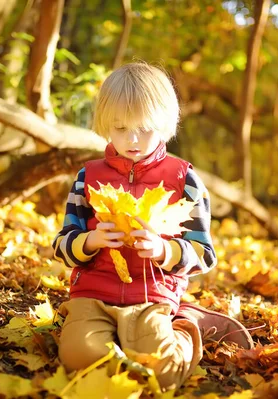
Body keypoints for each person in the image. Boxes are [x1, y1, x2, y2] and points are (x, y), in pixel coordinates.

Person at [52, 62, 253, 391]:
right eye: (120, 128)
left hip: (152, 295)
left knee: (163, 373)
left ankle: (190, 325)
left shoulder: (183, 179)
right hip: (93, 293)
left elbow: (204, 254)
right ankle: (119, 348)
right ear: (105, 125)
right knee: (78, 357)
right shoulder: (88, 178)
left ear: (164, 123)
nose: (132, 139)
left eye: (144, 128)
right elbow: (62, 245)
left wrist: (163, 250)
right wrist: (90, 241)